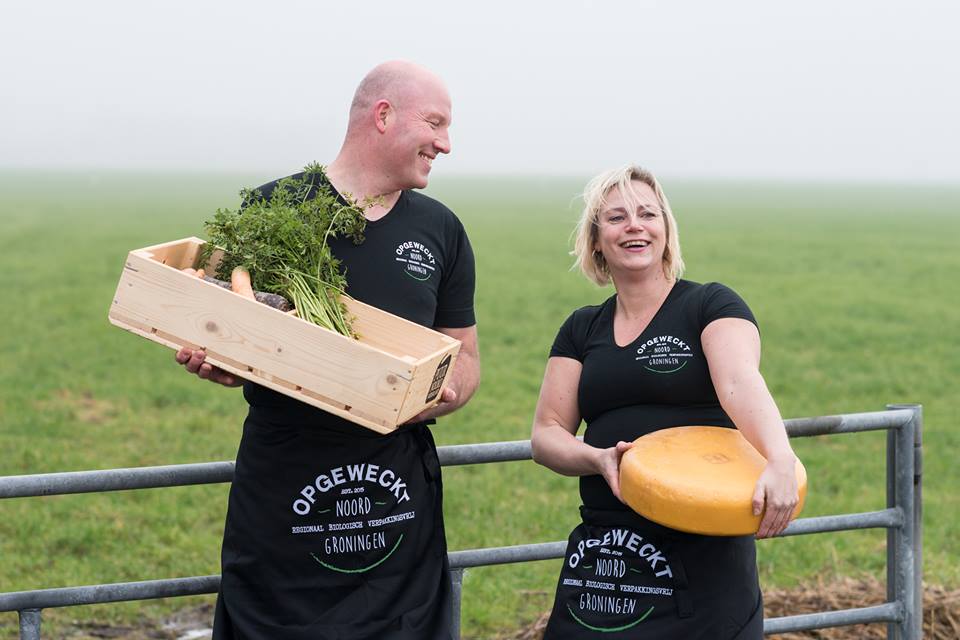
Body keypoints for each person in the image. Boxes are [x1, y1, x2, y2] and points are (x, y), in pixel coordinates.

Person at [175, 60, 480, 640]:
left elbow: (465, 361)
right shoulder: (272, 209)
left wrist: (434, 393)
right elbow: (242, 338)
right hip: (287, 487)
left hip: (394, 503)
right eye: (435, 123)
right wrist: (221, 364)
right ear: (384, 116)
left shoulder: (442, 230)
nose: (446, 144)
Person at [530, 165, 800, 639]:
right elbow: (547, 433)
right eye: (615, 217)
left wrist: (780, 458)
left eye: (646, 214)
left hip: (704, 546)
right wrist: (596, 459)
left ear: (666, 231)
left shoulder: (711, 305)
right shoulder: (581, 328)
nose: (634, 225)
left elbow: (739, 381)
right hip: (609, 552)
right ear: (596, 240)